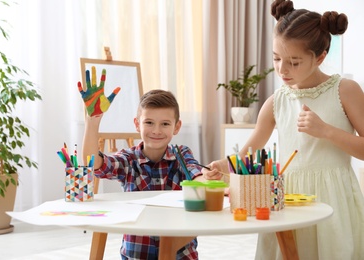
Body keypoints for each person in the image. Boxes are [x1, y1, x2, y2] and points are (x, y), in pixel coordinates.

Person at [203, 0, 364, 259]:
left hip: (333, 198)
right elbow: (250, 151)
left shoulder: (345, 90)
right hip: (286, 199)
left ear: (320, 57)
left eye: (294, 62)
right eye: (276, 58)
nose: (282, 69)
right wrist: (223, 166)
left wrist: (326, 131)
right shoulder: (277, 101)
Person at [79, 67, 204, 259]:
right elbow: (94, 163)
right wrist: (92, 122)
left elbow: (197, 173)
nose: (156, 130)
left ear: (176, 127)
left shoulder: (182, 154)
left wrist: (207, 178)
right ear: (137, 124)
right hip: (137, 253)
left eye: (165, 124)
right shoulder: (129, 160)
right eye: (149, 123)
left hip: (180, 253)